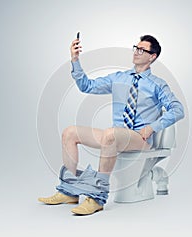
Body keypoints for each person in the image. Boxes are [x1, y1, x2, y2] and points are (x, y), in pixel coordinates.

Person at [38, 34, 184, 215]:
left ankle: (97, 198)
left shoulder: (157, 85)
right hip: (117, 135)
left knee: (110, 134)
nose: (136, 52)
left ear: (152, 56)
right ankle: (69, 191)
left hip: (140, 138)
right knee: (70, 133)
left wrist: (153, 127)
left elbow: (178, 110)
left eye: (142, 50)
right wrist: (75, 60)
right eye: (135, 48)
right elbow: (86, 86)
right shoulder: (119, 78)